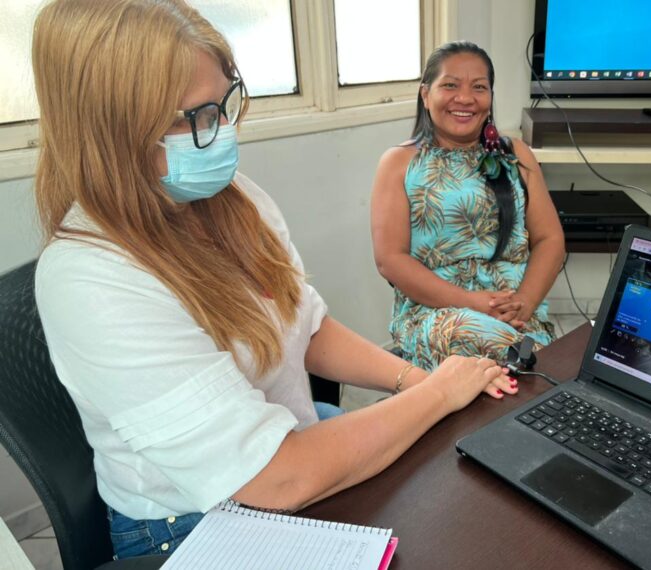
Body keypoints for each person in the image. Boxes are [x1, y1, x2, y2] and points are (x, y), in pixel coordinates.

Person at [31, 0, 515, 560]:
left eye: (224, 105)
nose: (223, 133)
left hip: (288, 445)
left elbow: (305, 326)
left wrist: (412, 380)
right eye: (197, 118)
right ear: (112, 132)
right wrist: (437, 393)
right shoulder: (93, 280)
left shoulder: (233, 200)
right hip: (191, 519)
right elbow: (275, 480)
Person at [371, 41, 565, 371]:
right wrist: (473, 304)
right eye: (450, 85)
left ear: (490, 98)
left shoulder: (515, 154)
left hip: (514, 311)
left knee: (521, 370)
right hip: (436, 312)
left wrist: (524, 303)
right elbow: (391, 260)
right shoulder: (400, 163)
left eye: (479, 87)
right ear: (425, 94)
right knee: (502, 357)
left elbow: (550, 240)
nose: (465, 98)